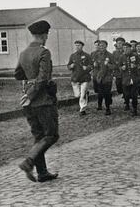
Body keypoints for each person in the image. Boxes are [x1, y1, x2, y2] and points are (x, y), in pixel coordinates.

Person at [14, 20, 59, 183]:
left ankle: (42, 173)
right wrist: (33, 91)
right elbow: (43, 77)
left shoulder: (24, 52)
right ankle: (29, 161)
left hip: (27, 102)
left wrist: (29, 86)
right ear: (44, 35)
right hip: (43, 100)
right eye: (47, 34)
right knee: (52, 134)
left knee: (39, 136)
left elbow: (18, 74)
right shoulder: (44, 52)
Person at [67, 40, 92, 115]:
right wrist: (70, 66)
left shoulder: (87, 55)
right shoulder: (72, 56)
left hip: (84, 77)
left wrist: (87, 68)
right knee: (77, 95)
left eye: (79, 45)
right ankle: (84, 94)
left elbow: (91, 65)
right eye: (76, 45)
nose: (77, 47)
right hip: (75, 78)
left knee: (82, 94)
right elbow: (68, 65)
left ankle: (82, 109)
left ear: (82, 46)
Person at [91, 40, 115, 115]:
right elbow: (92, 65)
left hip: (107, 78)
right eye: (100, 45)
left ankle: (108, 108)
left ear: (106, 46)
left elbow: (114, 66)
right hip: (99, 77)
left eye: (103, 45)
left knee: (107, 93)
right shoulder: (95, 55)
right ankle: (100, 105)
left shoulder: (110, 55)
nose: (101, 47)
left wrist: (108, 65)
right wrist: (94, 65)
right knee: (100, 92)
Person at [119, 42, 140, 115]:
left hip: (134, 78)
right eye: (124, 48)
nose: (125, 49)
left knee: (134, 95)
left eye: (127, 48)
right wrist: (122, 68)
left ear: (130, 48)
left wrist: (135, 66)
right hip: (125, 78)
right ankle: (127, 104)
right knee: (126, 94)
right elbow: (119, 66)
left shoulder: (135, 55)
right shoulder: (121, 57)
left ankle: (134, 109)